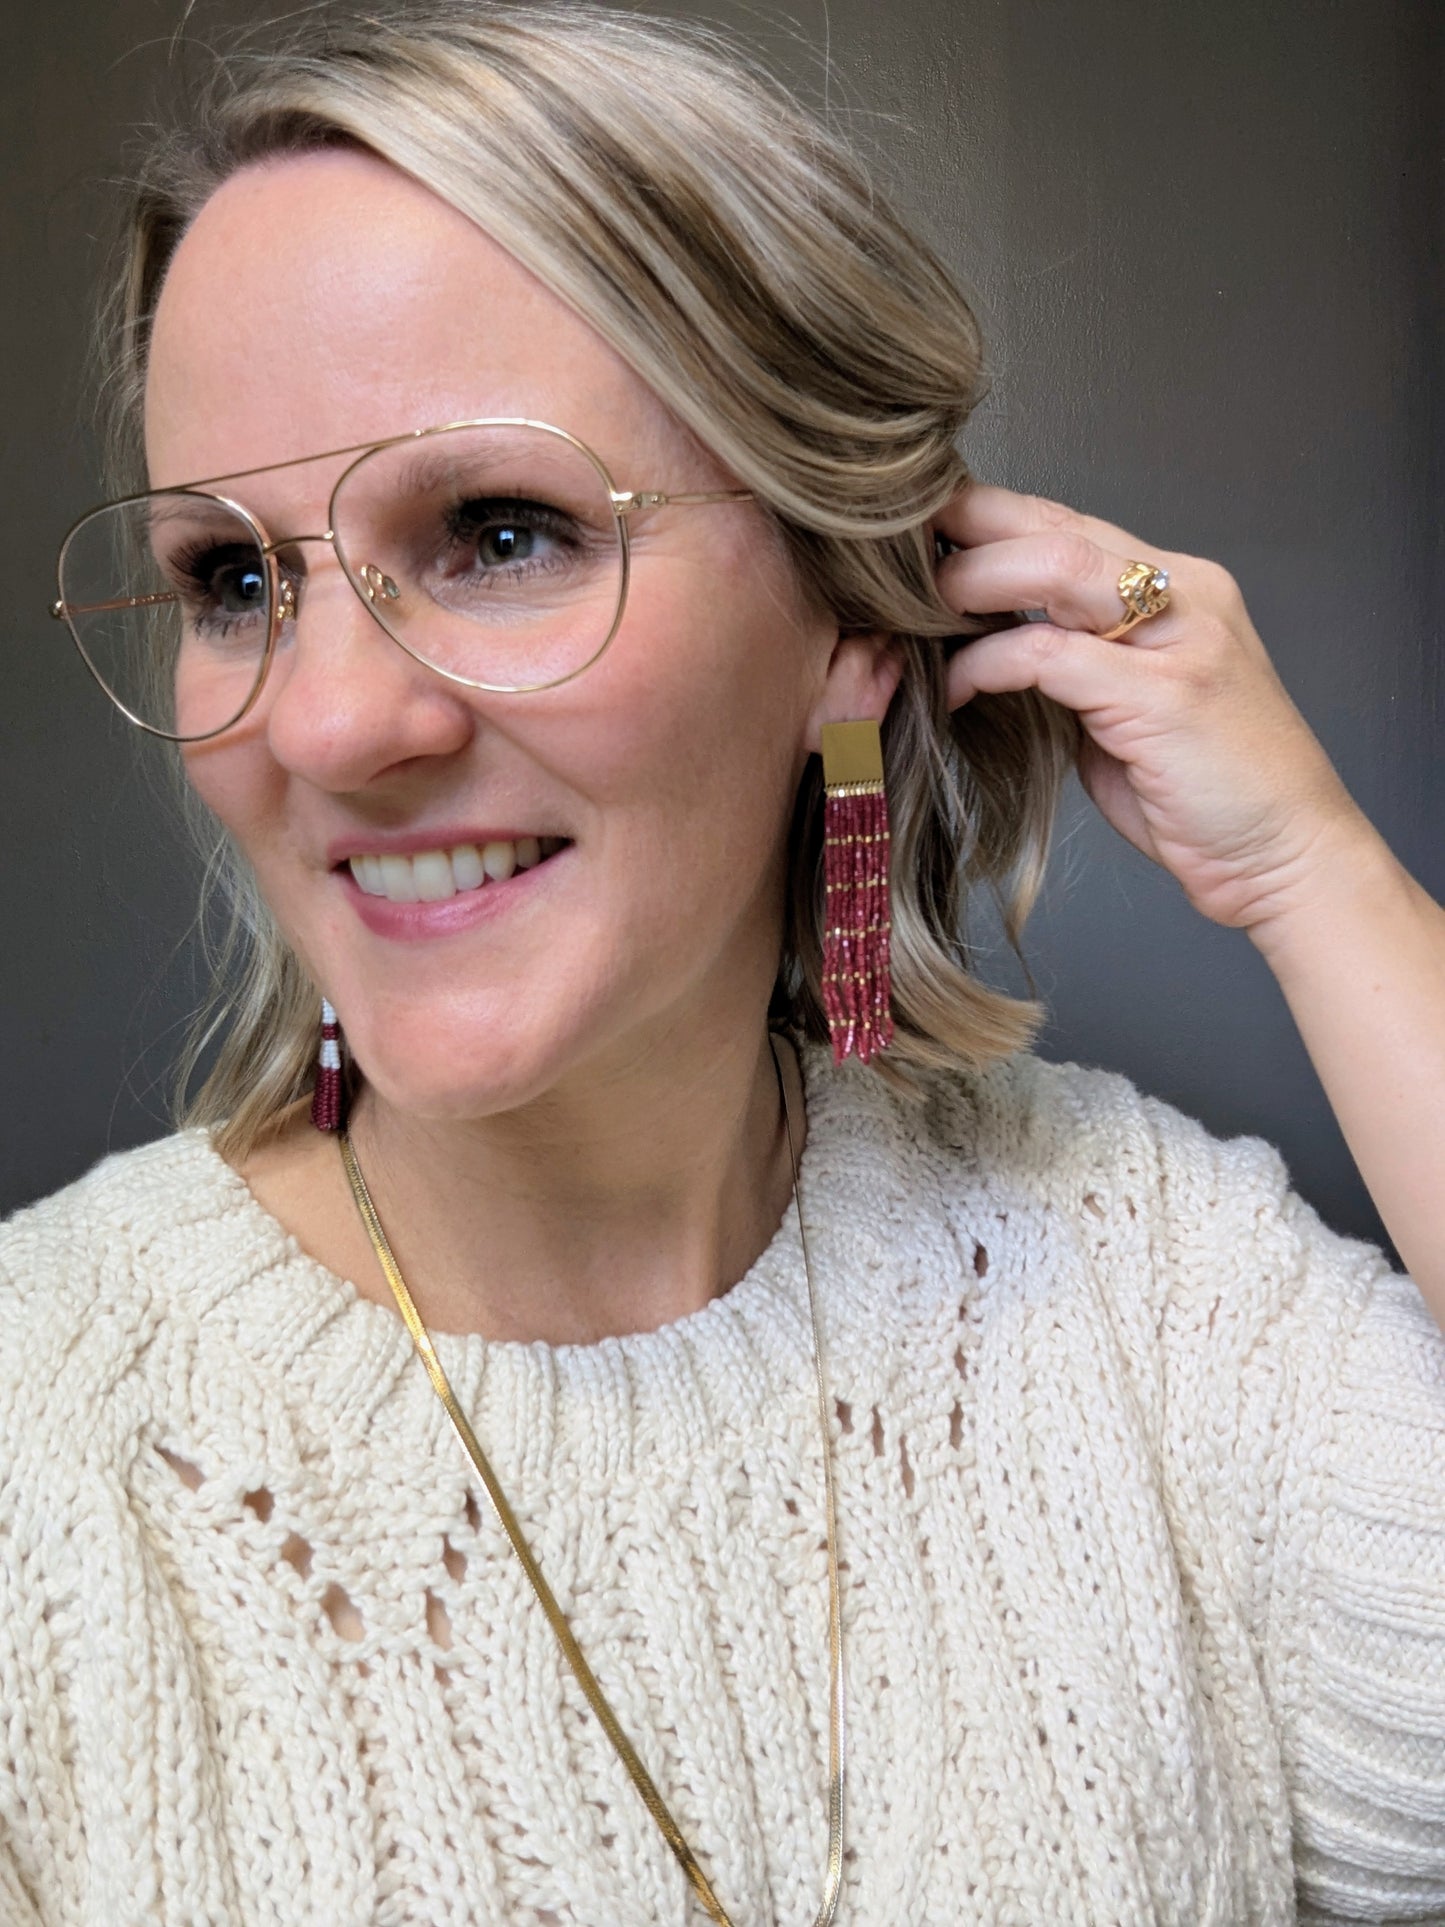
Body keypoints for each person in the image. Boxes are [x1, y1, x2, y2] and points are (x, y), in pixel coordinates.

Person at [4, 4, 1444, 1922]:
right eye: (232, 581)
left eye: (499, 530)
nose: (330, 725)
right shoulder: (47, 1451)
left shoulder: (1156, 1297)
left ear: (852, 626)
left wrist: (1314, 873)